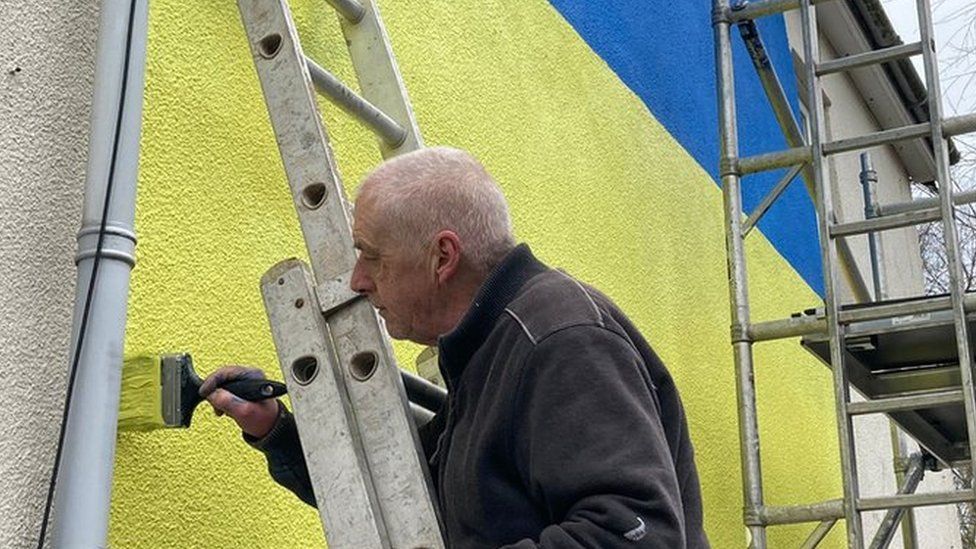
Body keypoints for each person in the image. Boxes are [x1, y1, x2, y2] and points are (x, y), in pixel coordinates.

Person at [201, 147, 709, 548]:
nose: (357, 281)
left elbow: (633, 534)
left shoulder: (560, 341)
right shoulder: (489, 349)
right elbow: (409, 490)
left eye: (372, 257)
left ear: (442, 257)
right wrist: (278, 431)